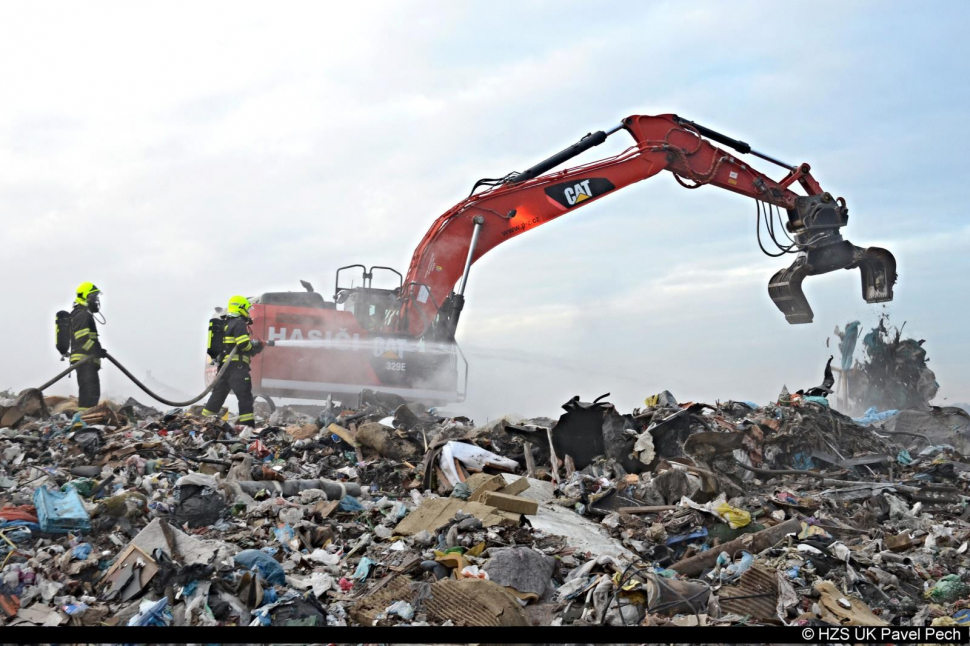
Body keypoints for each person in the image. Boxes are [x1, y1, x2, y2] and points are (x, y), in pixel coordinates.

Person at [201, 295, 263, 427]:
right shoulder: (239, 323)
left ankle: (202, 423)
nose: (248, 312)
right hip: (237, 368)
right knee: (245, 397)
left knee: (217, 396)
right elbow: (243, 345)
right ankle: (248, 427)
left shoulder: (225, 323)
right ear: (240, 308)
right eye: (247, 308)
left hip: (224, 368)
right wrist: (255, 347)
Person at [70, 282, 105, 414]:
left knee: (92, 391)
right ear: (85, 297)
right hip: (84, 359)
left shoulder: (85, 314)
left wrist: (98, 350)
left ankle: (88, 418)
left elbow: (89, 338)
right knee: (88, 392)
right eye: (93, 297)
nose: (95, 300)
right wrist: (95, 350)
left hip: (88, 360)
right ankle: (85, 420)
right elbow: (82, 338)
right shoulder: (81, 314)